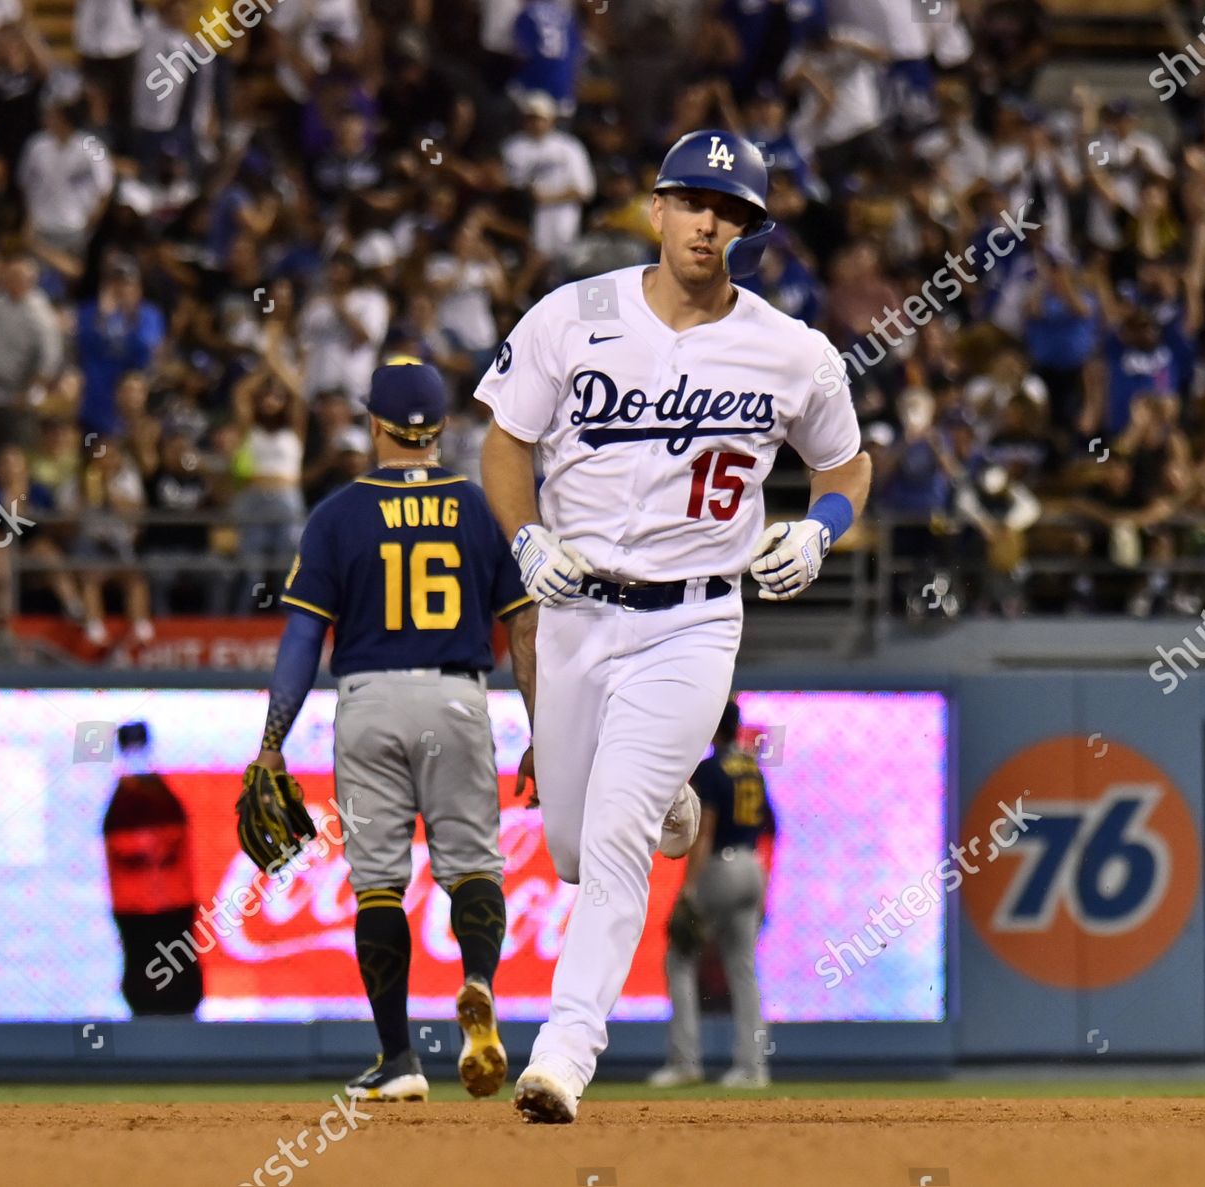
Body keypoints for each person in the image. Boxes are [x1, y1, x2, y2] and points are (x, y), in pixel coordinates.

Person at [476, 129, 870, 1123]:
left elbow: (848, 464)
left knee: (609, 840)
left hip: (693, 622)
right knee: (569, 841)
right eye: (695, 200)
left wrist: (822, 529)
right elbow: (504, 444)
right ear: (654, 206)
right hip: (571, 607)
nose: (710, 223)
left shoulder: (791, 348)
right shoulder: (574, 314)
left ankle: (564, 1054)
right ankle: (675, 815)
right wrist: (523, 540)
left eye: (732, 211)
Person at [235, 359, 539, 1103]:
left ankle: (399, 1058)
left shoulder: (339, 513)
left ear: (374, 422)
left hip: (369, 701)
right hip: (457, 697)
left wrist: (273, 739)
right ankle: (475, 980)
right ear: (438, 427)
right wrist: (543, 727)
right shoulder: (476, 507)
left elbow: (303, 638)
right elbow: (525, 627)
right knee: (473, 866)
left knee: (377, 883)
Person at [649, 699, 774, 1090]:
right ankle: (753, 1067)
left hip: (720, 867)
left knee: (680, 959)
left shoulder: (711, 768)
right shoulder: (752, 767)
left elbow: (704, 832)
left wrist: (688, 889)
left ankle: (685, 1062)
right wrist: (764, 885)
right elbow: (771, 828)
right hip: (753, 866)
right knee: (743, 969)